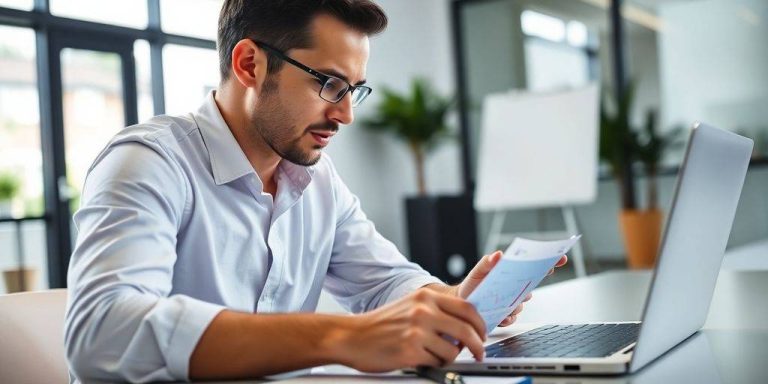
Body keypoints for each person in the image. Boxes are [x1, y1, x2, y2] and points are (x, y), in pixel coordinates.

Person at [64, 1, 567, 382]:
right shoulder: (148, 163)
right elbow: (103, 331)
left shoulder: (316, 180)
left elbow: (385, 282)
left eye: (354, 89)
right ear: (249, 65)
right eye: (329, 83)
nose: (346, 113)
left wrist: (450, 305)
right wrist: (342, 336)